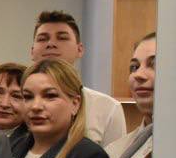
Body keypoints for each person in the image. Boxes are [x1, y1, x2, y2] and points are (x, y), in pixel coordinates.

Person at [29, 11, 126, 147]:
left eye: (62, 38)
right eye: (42, 39)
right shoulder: (17, 103)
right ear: (32, 51)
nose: (51, 44)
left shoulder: (108, 108)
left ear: (79, 50)